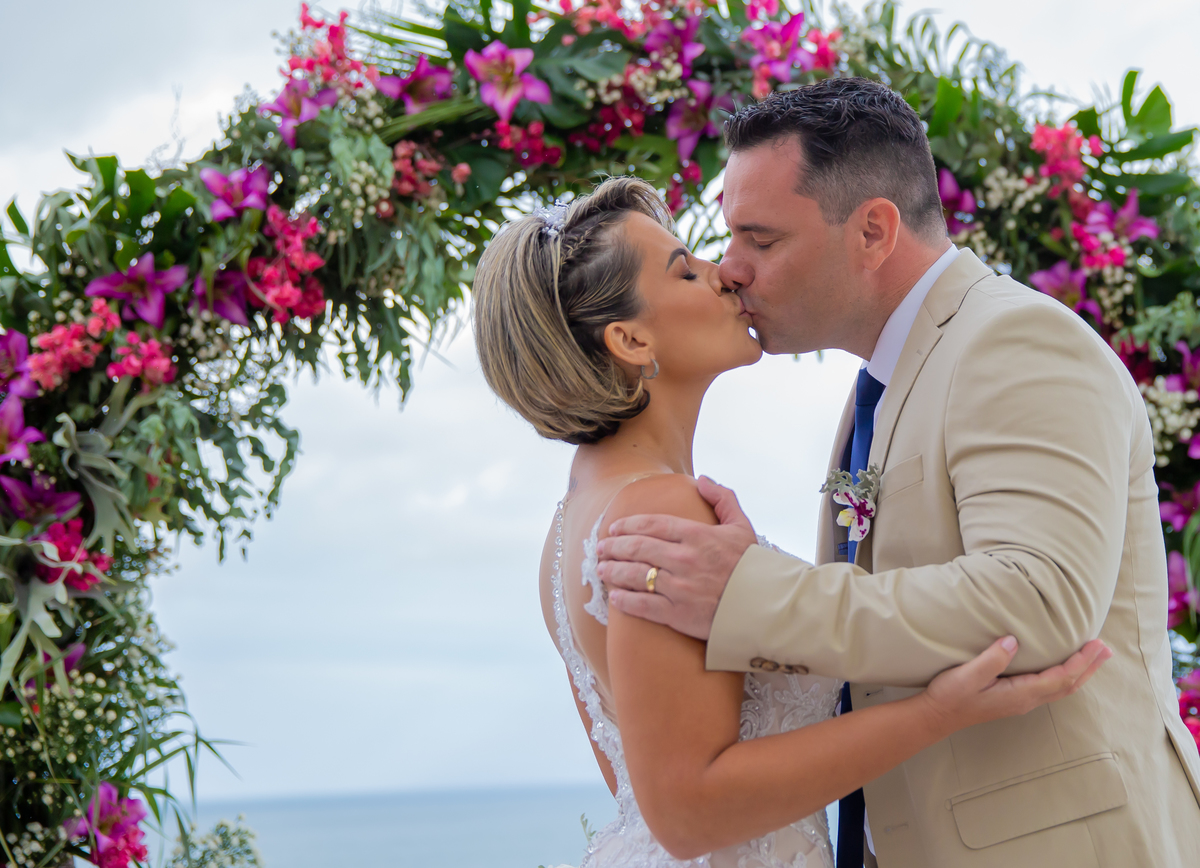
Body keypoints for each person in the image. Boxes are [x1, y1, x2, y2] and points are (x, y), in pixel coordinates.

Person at [595, 79, 1200, 867]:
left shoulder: (1013, 341)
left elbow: (1040, 598)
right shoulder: (876, 389)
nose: (730, 268)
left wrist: (751, 592)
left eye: (762, 239)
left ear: (874, 230)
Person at [472, 174, 1110, 868]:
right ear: (629, 339)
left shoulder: (572, 522)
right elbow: (685, 809)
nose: (723, 275)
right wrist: (937, 713)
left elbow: (636, 785)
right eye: (686, 270)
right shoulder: (659, 512)